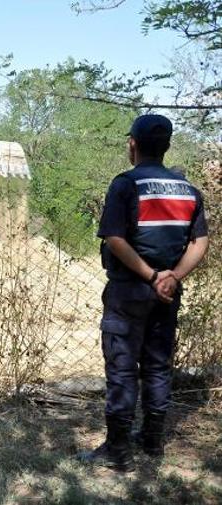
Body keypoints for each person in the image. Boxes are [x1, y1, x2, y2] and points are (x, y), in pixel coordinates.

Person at [79, 114, 209, 472]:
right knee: (157, 366)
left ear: (132, 144)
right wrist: (172, 278)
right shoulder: (188, 191)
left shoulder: (125, 185)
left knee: (122, 368)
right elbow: (201, 242)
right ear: (166, 146)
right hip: (167, 295)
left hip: (129, 291)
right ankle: (153, 441)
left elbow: (115, 239)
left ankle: (118, 452)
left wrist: (152, 276)